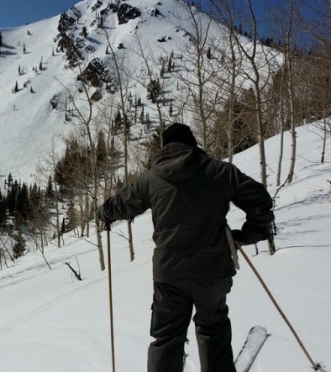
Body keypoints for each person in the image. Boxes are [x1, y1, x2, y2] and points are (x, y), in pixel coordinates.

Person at [97, 123, 274, 372]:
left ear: (164, 148)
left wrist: (104, 212)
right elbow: (260, 201)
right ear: (192, 144)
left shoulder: (151, 179)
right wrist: (247, 235)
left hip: (169, 274)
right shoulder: (219, 171)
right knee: (213, 330)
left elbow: (123, 204)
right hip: (212, 271)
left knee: (167, 338)